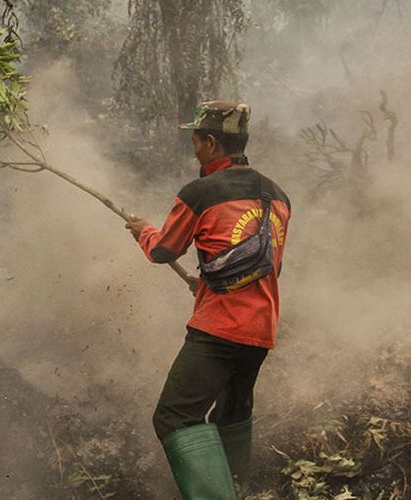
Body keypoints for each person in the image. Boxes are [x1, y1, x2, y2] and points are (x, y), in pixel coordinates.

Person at [126, 101, 291, 499]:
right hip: (261, 330)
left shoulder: (200, 193)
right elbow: (264, 268)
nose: (194, 148)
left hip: (219, 331)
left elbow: (164, 250)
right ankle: (238, 489)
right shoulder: (278, 195)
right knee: (231, 416)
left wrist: (143, 230)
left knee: (174, 417)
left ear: (212, 142)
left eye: (197, 140)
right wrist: (205, 284)